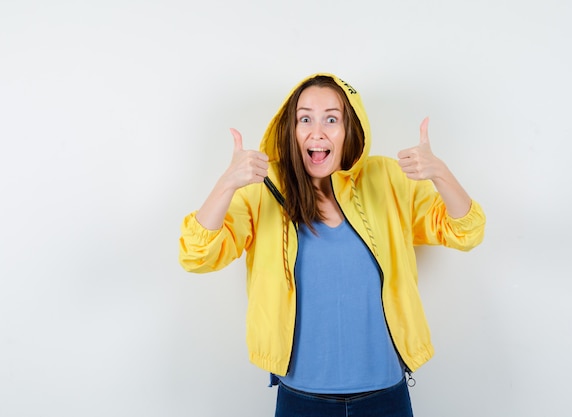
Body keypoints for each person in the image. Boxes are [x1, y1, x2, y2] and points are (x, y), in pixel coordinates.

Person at [179, 73, 486, 417]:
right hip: (302, 398)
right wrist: (226, 184)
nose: (317, 132)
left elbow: (465, 232)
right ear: (290, 129)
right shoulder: (262, 190)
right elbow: (196, 255)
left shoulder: (386, 180)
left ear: (349, 129)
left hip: (385, 394)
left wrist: (441, 174)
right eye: (305, 118)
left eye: (332, 119)